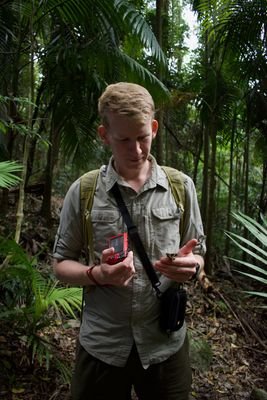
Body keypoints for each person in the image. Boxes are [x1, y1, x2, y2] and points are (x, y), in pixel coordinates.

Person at [53, 82, 206, 400]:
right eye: (123, 140)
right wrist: (97, 275)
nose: (136, 150)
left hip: (165, 344)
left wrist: (192, 266)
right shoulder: (83, 192)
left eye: (142, 138)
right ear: (104, 135)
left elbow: (199, 254)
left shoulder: (181, 187)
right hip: (103, 346)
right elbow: (61, 265)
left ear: (154, 128)